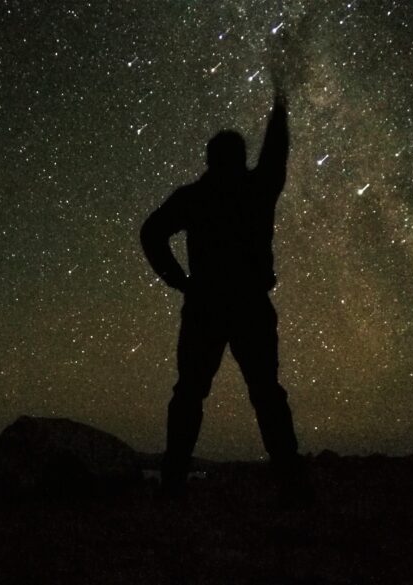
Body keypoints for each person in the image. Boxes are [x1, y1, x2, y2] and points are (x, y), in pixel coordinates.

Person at [140, 87, 301, 498]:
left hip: (207, 305)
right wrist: (279, 112)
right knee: (265, 393)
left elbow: (152, 233)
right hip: (246, 304)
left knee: (191, 394)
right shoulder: (256, 189)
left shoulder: (196, 196)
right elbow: (276, 156)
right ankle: (291, 484)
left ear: (210, 159)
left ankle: (173, 483)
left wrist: (178, 280)